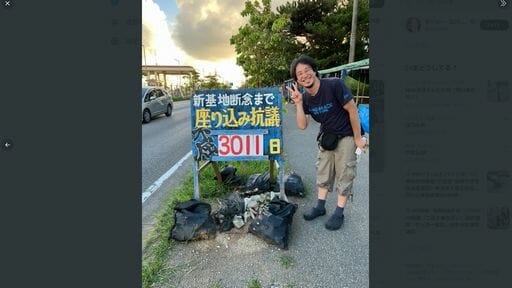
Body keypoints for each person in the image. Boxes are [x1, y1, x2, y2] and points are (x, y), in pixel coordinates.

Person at [286, 55, 366, 231]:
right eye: (300, 74)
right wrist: (298, 103)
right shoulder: (306, 98)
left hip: (347, 135)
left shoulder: (334, 85)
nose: (304, 75)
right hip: (327, 137)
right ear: (297, 79)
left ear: (314, 70)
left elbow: (352, 109)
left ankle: (339, 211)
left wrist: (358, 138)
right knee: (323, 170)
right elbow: (301, 125)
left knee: (345, 172)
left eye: (307, 70)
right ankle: (320, 206)